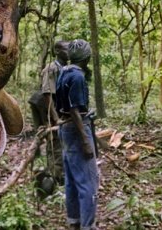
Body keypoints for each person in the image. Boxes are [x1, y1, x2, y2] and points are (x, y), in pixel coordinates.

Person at [55, 39, 99, 230]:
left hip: (65, 129)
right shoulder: (77, 77)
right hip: (76, 129)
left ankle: (74, 221)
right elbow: (74, 109)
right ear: (87, 58)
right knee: (88, 183)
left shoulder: (63, 72)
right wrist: (86, 141)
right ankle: (88, 226)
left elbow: (65, 106)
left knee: (72, 180)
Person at [27, 40, 68, 186]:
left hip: (59, 109)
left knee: (62, 143)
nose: (68, 50)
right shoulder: (51, 68)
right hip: (49, 109)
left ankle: (60, 173)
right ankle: (56, 177)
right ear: (57, 51)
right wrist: (56, 118)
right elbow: (47, 94)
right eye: (65, 48)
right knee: (54, 142)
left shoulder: (65, 67)